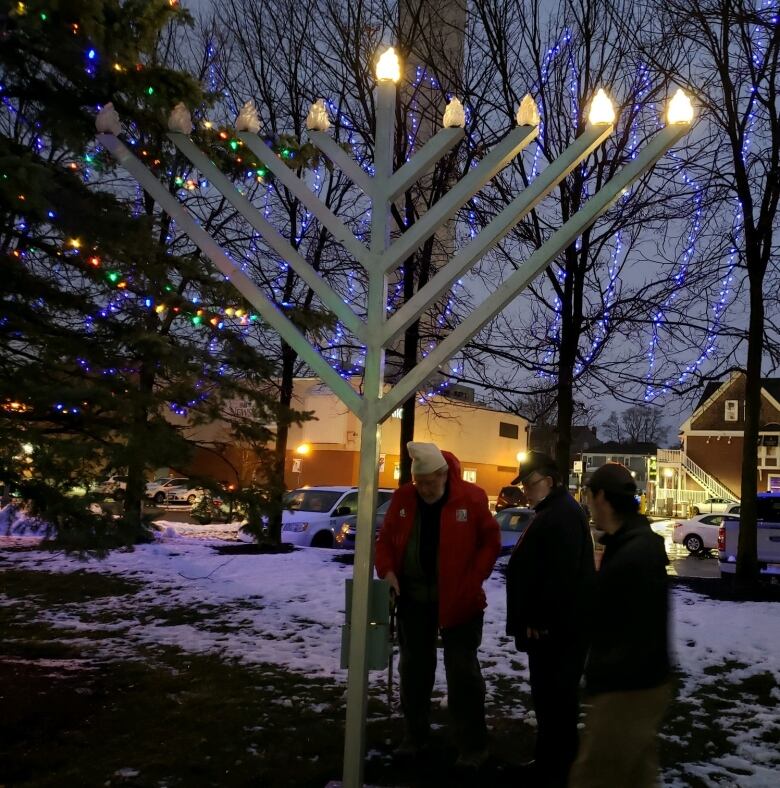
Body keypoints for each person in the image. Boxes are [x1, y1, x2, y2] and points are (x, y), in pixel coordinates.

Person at [375, 441, 501, 769]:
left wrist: (475, 578)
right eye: (420, 483)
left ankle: (473, 745)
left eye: (431, 482)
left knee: (462, 673)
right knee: (414, 670)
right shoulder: (404, 498)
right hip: (414, 600)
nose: (426, 489)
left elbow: (490, 540)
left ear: (444, 475)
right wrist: (387, 571)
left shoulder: (471, 498)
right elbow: (386, 539)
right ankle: (415, 736)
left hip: (461, 602)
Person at [568, 463, 672, 788]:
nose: (587, 504)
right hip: (644, 683)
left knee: (594, 776)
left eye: (588, 496)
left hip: (627, 689)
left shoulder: (633, 553)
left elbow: (625, 625)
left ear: (601, 497)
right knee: (637, 775)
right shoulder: (633, 542)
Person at [505, 451, 596, 788]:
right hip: (556, 630)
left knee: (555, 702)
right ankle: (551, 763)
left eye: (531, 484)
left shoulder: (560, 516)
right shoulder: (555, 512)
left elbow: (559, 576)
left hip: (556, 634)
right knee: (551, 702)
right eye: (525, 485)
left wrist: (540, 619)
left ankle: (556, 770)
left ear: (551, 481)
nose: (526, 491)